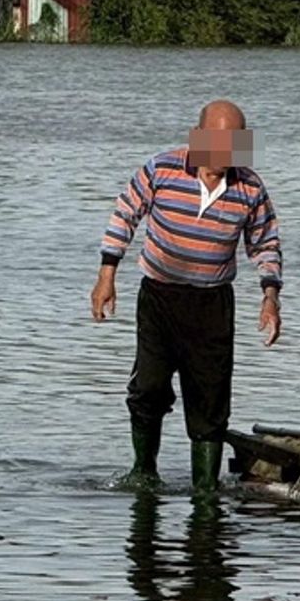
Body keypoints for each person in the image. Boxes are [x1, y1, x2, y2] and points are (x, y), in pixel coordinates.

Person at [92, 100, 283, 491]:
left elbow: (265, 244)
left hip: (212, 303)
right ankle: (143, 470)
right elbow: (124, 214)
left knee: (210, 402)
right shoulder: (161, 169)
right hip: (159, 297)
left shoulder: (249, 185)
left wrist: (270, 298)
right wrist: (107, 273)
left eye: (235, 142)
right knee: (148, 388)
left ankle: (205, 489)